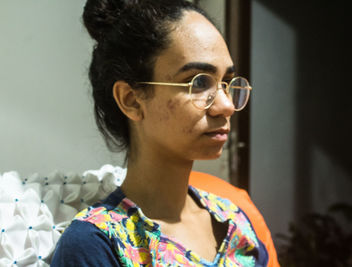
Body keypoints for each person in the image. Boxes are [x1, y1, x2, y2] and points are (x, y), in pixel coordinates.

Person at [51, 0, 280, 266]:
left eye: (227, 83)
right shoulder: (98, 243)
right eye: (199, 82)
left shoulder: (234, 221)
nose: (226, 106)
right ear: (131, 100)